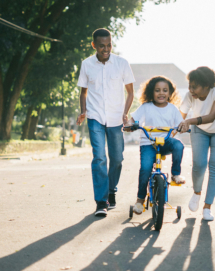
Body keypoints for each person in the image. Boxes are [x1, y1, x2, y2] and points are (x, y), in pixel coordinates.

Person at [76, 28, 135, 217]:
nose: (106, 49)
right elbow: (83, 91)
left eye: (109, 45)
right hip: (95, 118)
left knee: (117, 159)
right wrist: (83, 111)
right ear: (94, 45)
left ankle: (111, 191)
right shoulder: (86, 64)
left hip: (116, 118)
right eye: (102, 46)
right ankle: (101, 202)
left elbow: (130, 92)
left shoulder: (122, 63)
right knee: (100, 158)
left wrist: (125, 113)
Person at [178, 66, 215, 221]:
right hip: (200, 131)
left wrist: (189, 121)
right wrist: (173, 130)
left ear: (207, 85)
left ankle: (207, 207)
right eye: (190, 86)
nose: (190, 90)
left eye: (194, 86)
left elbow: (212, 116)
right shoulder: (190, 96)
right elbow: (179, 117)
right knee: (199, 164)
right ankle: (196, 192)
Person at [126, 76, 185, 215]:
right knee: (146, 169)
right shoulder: (146, 107)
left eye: (165, 90)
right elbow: (132, 120)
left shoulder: (173, 109)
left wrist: (182, 127)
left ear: (170, 93)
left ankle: (175, 174)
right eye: (157, 90)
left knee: (179, 146)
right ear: (151, 92)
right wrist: (129, 125)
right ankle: (140, 200)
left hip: (165, 142)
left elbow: (180, 123)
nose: (161, 93)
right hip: (148, 143)